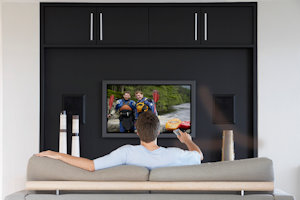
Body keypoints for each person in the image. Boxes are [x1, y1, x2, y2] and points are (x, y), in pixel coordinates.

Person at [36, 111, 204, 171]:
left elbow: (90, 166)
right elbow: (199, 156)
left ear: (137, 132)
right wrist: (187, 140)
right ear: (158, 131)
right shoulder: (175, 155)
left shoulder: (126, 153)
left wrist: (57, 154)